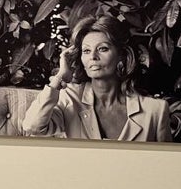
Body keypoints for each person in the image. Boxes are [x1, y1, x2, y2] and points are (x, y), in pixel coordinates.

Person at [22, 15, 172, 141]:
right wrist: (60, 76)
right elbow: (32, 127)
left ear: (122, 55)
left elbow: (165, 166)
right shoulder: (69, 98)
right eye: (86, 51)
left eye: (102, 49)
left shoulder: (155, 111)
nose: (93, 57)